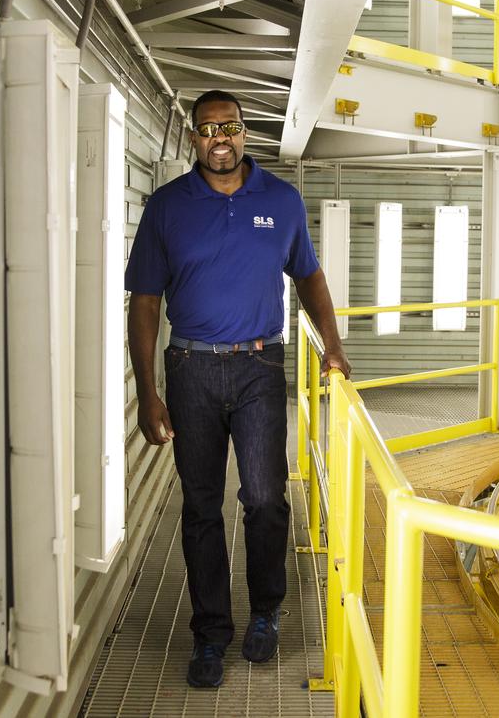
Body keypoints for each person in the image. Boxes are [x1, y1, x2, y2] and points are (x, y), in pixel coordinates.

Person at [125, 89, 349, 688]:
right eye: (206, 129)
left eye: (230, 127)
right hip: (191, 370)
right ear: (192, 137)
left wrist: (332, 344)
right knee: (200, 506)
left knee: (265, 499)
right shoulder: (167, 207)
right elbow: (145, 303)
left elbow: (309, 276)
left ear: (244, 132)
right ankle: (210, 634)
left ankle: (267, 612)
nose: (219, 138)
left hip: (258, 369)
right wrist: (148, 392)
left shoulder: (280, 201)